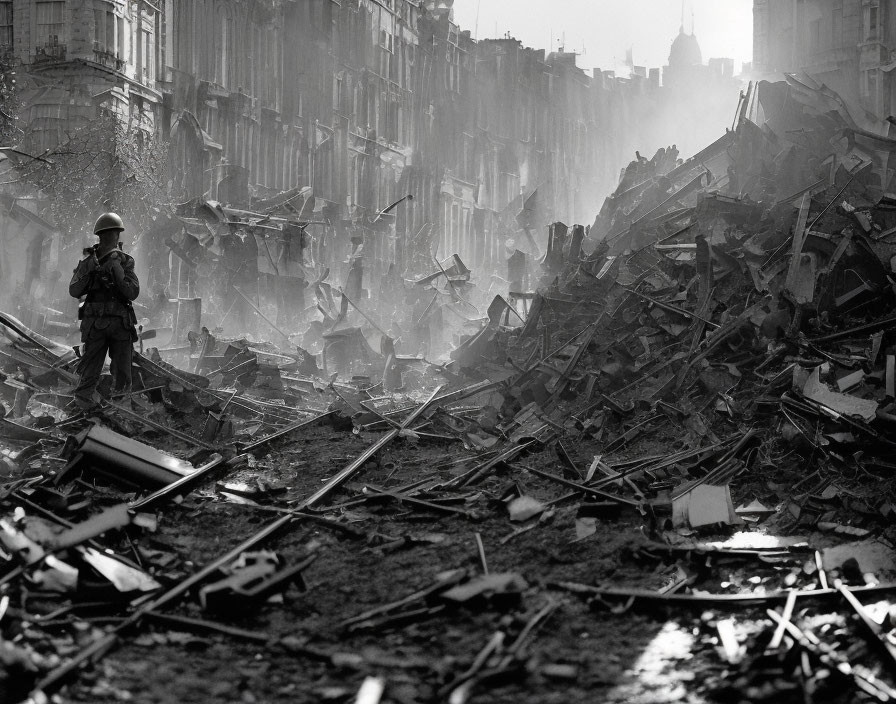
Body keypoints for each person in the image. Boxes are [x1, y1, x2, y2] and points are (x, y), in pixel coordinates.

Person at [68, 213, 140, 410]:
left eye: (113, 234)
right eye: (108, 234)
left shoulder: (125, 261)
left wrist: (117, 272)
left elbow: (132, 292)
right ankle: (84, 410)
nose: (111, 238)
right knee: (89, 371)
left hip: (120, 325)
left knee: (123, 374)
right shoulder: (87, 262)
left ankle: (121, 411)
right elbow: (74, 290)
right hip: (95, 326)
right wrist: (91, 271)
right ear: (100, 236)